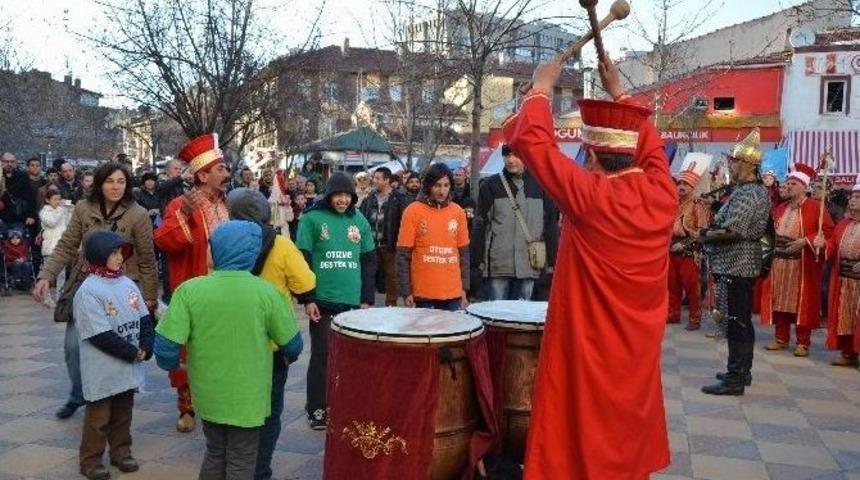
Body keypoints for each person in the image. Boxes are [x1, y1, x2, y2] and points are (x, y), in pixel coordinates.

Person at [503, 58, 677, 479]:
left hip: (591, 336)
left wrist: (541, 88)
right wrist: (620, 97)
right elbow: (652, 150)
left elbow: (531, 144)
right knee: (626, 419)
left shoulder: (591, 197)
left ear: (595, 158)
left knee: (583, 421)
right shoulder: (663, 193)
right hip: (638, 341)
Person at [155, 220, 303, 480]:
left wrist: (171, 365)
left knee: (215, 451)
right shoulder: (267, 293)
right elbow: (292, 343)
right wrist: (289, 354)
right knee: (242, 458)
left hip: (209, 394)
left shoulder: (190, 290)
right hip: (249, 397)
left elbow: (166, 346)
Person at [32, 162, 159, 420]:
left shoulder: (138, 214)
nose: (115, 187)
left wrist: (149, 296)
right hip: (86, 287)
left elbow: (147, 259)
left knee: (118, 345)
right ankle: (80, 394)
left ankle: (117, 398)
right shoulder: (83, 208)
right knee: (72, 347)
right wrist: (46, 276)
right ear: (100, 183)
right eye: (110, 181)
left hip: (122, 288)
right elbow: (67, 246)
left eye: (121, 181)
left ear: (127, 184)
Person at [226, 188, 315, 480]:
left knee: (234, 410)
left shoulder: (223, 242)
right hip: (272, 345)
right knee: (270, 411)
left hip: (233, 340)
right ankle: (259, 470)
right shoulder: (282, 246)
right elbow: (305, 283)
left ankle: (234, 466)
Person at [154, 133, 231, 433]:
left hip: (228, 289)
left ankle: (218, 400)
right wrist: (184, 214)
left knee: (222, 347)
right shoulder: (179, 204)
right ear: (202, 175)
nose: (226, 173)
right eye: (220, 169)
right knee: (189, 349)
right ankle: (187, 406)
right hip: (196, 286)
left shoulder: (229, 203)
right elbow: (164, 240)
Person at [295, 172, 376, 430]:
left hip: (352, 302)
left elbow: (369, 260)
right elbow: (302, 260)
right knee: (322, 356)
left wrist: (366, 298)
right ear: (328, 195)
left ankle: (343, 404)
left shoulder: (359, 220)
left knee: (351, 359)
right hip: (323, 299)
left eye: (347, 196)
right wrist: (307, 298)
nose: (343, 200)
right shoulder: (311, 219)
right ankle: (317, 408)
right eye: (338, 195)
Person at [73, 230, 154, 480]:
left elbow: (143, 317)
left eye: (121, 252)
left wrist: (146, 344)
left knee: (123, 413)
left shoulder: (126, 282)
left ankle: (121, 452)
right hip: (103, 368)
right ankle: (90, 461)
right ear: (99, 255)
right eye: (113, 253)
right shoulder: (89, 291)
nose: (119, 257)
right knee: (99, 417)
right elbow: (99, 334)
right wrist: (133, 352)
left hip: (127, 365)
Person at [699, 129, 772, 396]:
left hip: (738, 263)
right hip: (736, 263)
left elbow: (734, 230)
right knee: (739, 320)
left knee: (736, 321)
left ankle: (735, 377)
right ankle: (743, 370)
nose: (732, 164)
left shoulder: (750, 192)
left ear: (748, 165)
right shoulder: (747, 191)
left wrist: (704, 234)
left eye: (735, 161)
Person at [761, 163, 833, 357]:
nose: (789, 186)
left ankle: (803, 342)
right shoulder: (780, 208)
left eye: (793, 183)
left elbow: (827, 233)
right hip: (779, 262)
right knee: (780, 302)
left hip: (801, 264)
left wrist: (806, 241)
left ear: (804, 186)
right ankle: (781, 338)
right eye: (788, 182)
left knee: (802, 303)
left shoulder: (816, 208)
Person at [473, 145, 558, 301]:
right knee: (497, 315)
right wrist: (476, 262)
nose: (511, 160)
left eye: (516, 155)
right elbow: (480, 226)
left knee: (521, 317)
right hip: (498, 263)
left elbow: (550, 225)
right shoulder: (491, 185)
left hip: (529, 263)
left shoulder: (541, 186)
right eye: (507, 156)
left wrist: (552, 261)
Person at [396, 164, 470, 311]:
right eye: (437, 185)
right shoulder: (413, 211)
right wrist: (406, 291)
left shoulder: (458, 212)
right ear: (428, 185)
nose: (442, 191)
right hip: (423, 293)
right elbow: (403, 255)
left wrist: (464, 289)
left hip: (452, 292)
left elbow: (464, 255)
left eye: (446, 185)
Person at [816, 183, 860, 367]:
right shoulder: (843, 223)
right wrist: (824, 244)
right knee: (845, 317)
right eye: (852, 197)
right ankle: (848, 352)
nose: (852, 200)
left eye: (858, 197)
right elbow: (833, 247)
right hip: (843, 278)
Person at [668, 154, 712, 330]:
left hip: (689, 250)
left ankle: (694, 318)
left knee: (692, 287)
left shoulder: (697, 205)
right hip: (670, 247)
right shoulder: (671, 204)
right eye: (679, 183)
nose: (681, 187)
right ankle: (673, 314)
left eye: (685, 184)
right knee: (671, 285)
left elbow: (702, 232)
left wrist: (684, 244)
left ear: (693, 186)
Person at [359, 167, 406, 306]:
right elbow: (361, 217)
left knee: (392, 276)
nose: (374, 181)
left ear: (387, 180)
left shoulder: (398, 198)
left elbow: (403, 221)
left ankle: (391, 305)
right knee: (368, 274)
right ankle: (366, 303)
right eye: (374, 178)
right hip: (371, 244)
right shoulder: (369, 198)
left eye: (378, 178)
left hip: (390, 244)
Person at [38, 190, 72, 306]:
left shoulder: (61, 210)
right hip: (49, 247)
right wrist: (61, 210)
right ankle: (47, 299)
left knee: (62, 275)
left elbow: (68, 224)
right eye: (55, 199)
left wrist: (69, 211)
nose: (58, 202)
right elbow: (52, 222)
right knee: (48, 275)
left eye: (59, 199)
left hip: (61, 246)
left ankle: (59, 298)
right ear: (48, 200)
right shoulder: (44, 212)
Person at [1, 152, 37, 236]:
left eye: (12, 161)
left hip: (18, 218)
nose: (9, 164)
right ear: (1, 162)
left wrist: (31, 215)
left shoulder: (22, 176)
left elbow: (30, 197)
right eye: (6, 161)